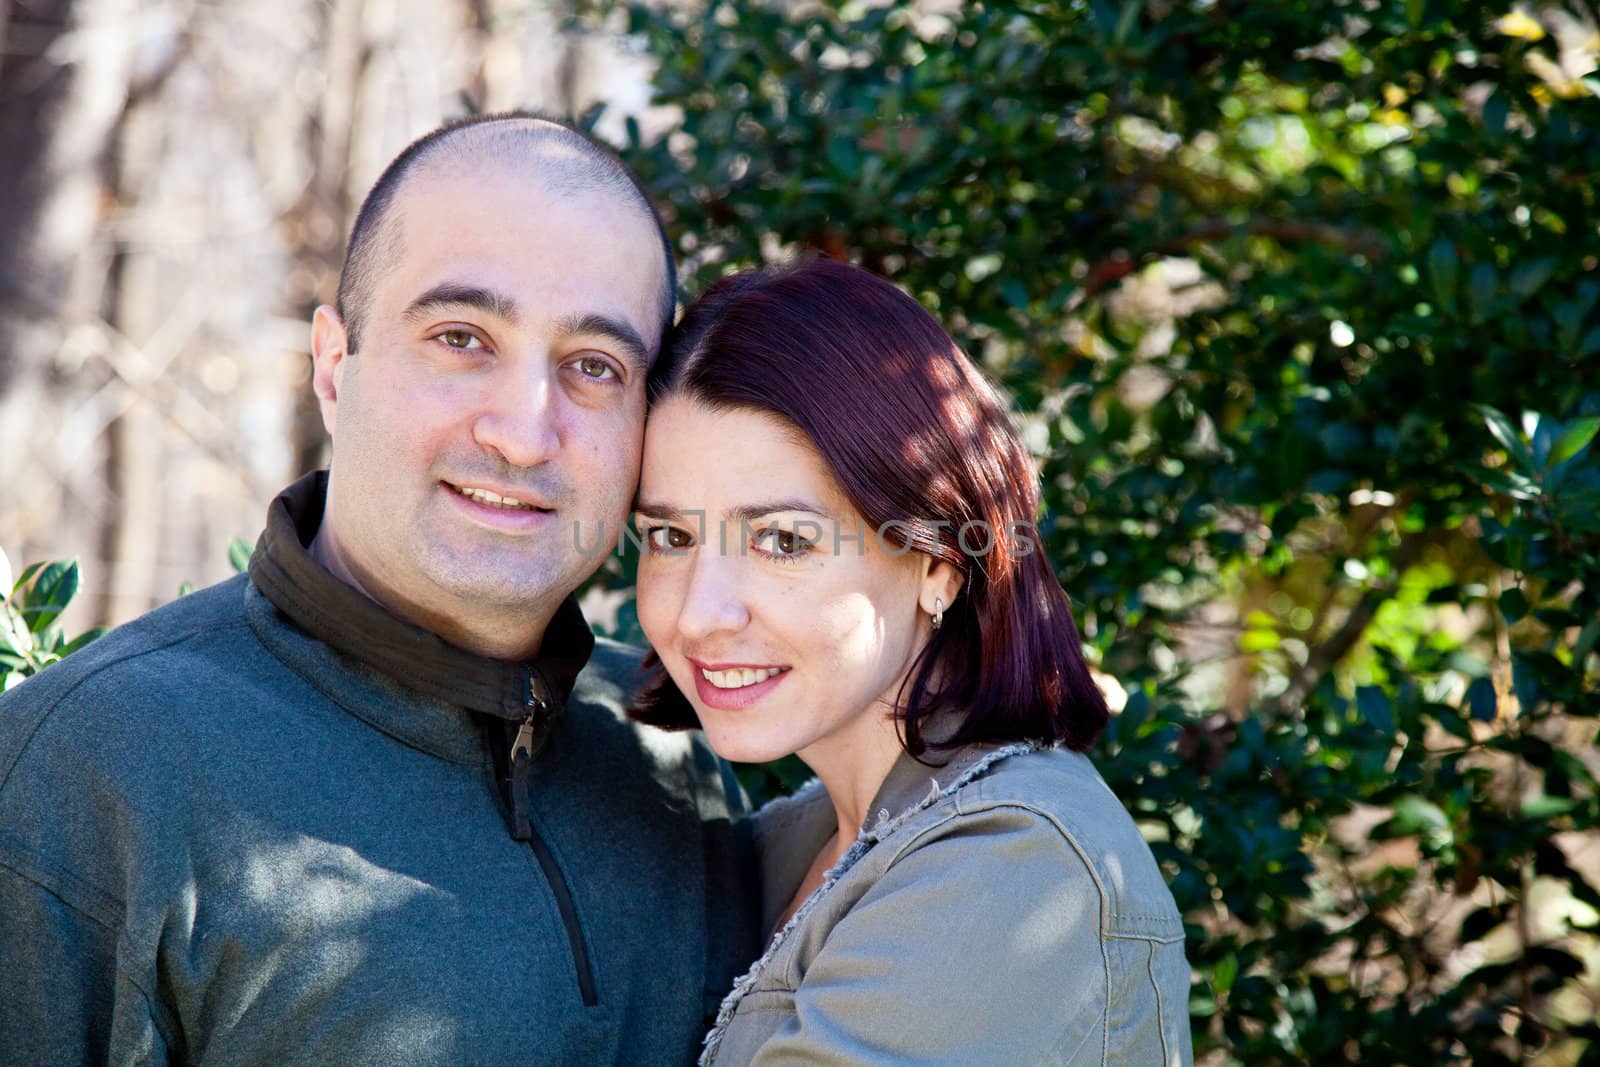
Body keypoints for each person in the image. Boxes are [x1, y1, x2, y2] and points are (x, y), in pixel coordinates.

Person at [0, 113, 758, 1065]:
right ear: (333, 365)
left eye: (595, 367)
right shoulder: (81, 772)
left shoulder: (673, 752)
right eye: (461, 337)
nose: (525, 433)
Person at [629, 257, 1193, 1066]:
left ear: (939, 563)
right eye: (670, 537)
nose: (698, 612)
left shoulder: (1015, 870)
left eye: (783, 540)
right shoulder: (787, 843)